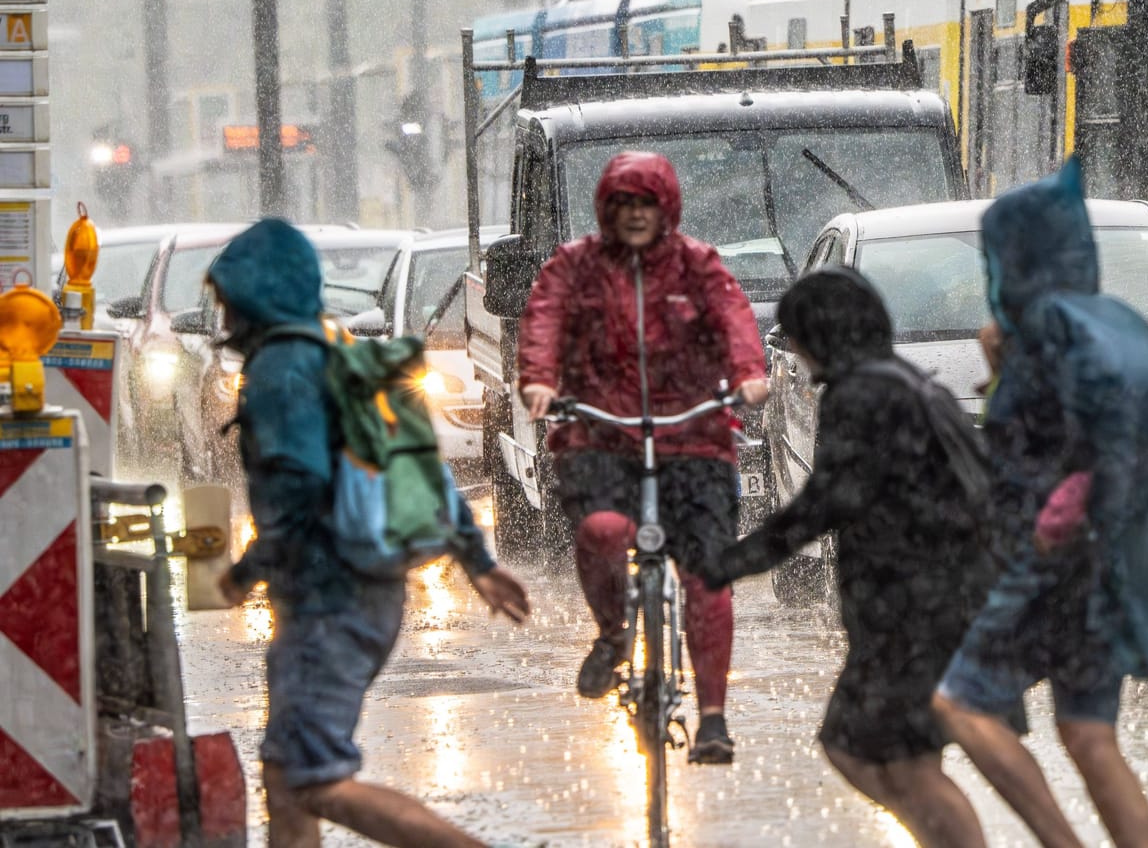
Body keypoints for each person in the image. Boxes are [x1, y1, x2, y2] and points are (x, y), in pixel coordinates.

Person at [930, 157, 1148, 848]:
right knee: (1089, 736)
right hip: (1103, 569)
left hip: (1050, 564)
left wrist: (1064, 515)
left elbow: (1070, 441)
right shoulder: (1107, 321)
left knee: (960, 703)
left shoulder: (1051, 331)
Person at [211, 219, 531, 848]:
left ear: (254, 295)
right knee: (285, 777)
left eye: (227, 297)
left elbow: (298, 497)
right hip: (363, 590)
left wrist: (243, 574)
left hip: (327, 599)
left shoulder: (280, 369)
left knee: (315, 782)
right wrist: (477, 560)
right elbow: (426, 467)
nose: (222, 313)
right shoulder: (337, 347)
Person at [692, 268, 994, 847]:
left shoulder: (861, 395)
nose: (795, 352)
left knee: (854, 746)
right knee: (912, 760)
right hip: (942, 603)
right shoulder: (902, 381)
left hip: (915, 612)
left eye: (798, 335)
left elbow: (823, 505)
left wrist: (730, 564)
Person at [517, 150, 769, 764]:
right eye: (623, 204)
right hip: (601, 438)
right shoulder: (572, 268)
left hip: (694, 438)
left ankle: (712, 717)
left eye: (646, 204)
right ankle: (613, 633)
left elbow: (735, 319)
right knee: (603, 530)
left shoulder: (698, 265)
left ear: (667, 209)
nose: (634, 216)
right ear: (606, 208)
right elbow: (543, 322)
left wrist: (749, 374)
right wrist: (540, 380)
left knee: (708, 577)